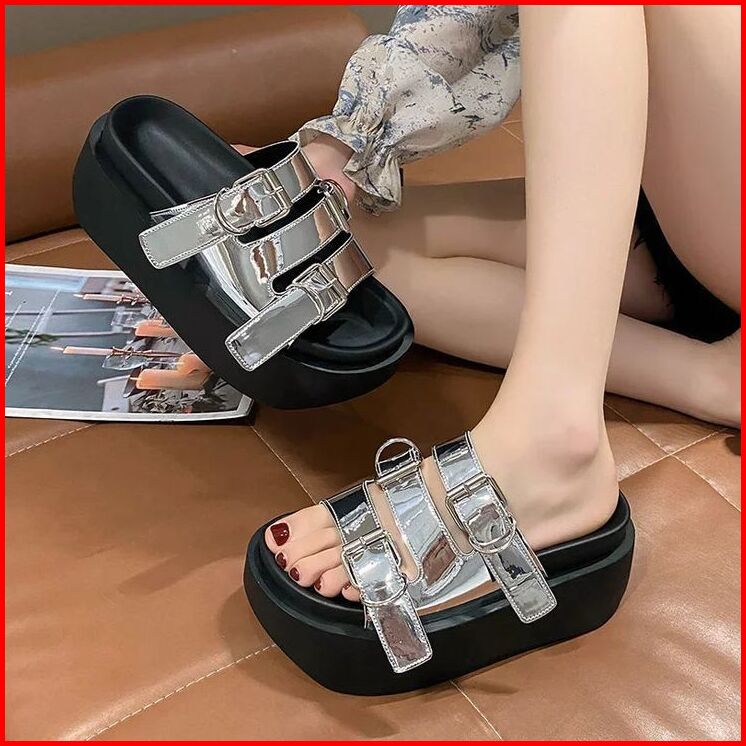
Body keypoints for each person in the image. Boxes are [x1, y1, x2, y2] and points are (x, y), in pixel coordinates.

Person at [250, 5, 740, 603]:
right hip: (678, 195)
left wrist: (350, 136)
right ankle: (712, 378)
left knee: (304, 244)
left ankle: (553, 437)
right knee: (313, 246)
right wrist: (338, 151)